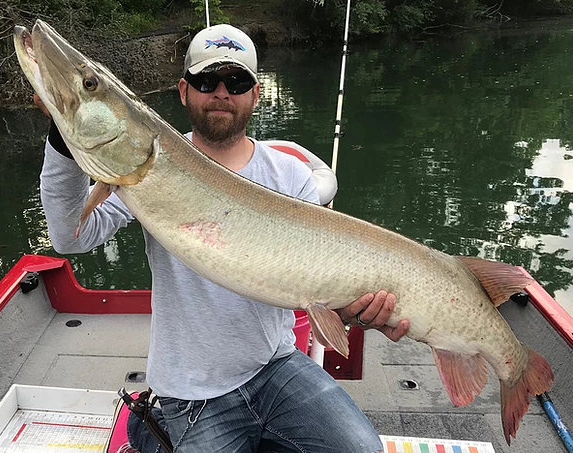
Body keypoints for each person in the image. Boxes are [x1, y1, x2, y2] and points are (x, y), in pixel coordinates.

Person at [38, 24, 409, 453]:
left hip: (275, 366)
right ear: (184, 91)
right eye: (205, 81)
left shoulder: (290, 176)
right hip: (193, 390)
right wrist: (63, 140)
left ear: (254, 93)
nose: (221, 92)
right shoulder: (143, 169)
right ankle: (156, 427)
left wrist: (356, 311)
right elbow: (70, 237)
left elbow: (319, 282)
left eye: (236, 82)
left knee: (364, 450)